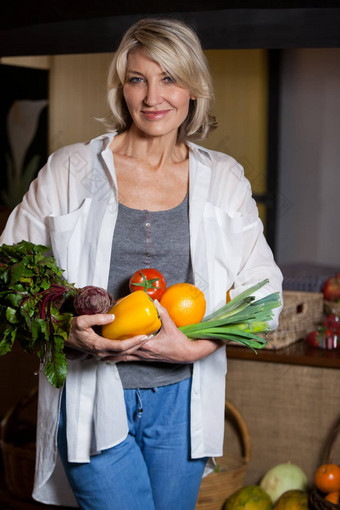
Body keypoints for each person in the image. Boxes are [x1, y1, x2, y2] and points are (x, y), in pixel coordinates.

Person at [0, 17, 283, 510]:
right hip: (90, 397)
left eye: (169, 78)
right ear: (122, 87)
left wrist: (196, 348)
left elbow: (265, 291)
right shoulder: (73, 168)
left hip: (183, 403)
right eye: (138, 79)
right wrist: (65, 330)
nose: (153, 96)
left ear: (194, 87)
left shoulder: (222, 179)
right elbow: (8, 270)